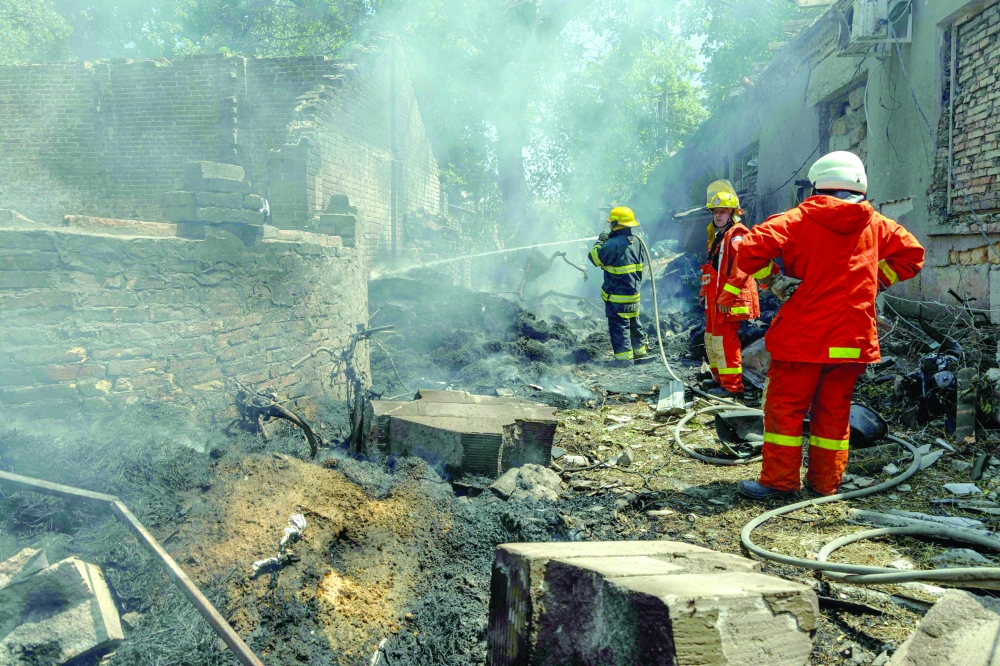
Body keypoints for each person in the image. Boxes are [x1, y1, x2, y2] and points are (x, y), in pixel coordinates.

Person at [715, 151, 925, 499]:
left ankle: (780, 483)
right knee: (834, 414)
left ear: (817, 186)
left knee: (786, 410)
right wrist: (876, 281)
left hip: (803, 338)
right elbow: (912, 255)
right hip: (852, 338)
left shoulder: (797, 219)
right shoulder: (878, 224)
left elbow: (749, 249)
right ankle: (825, 484)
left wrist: (776, 282)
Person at [699, 180, 759, 397]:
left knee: (725, 341)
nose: (718, 215)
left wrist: (725, 299)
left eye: (723, 211)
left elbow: (741, 270)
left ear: (733, 213)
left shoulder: (737, 236)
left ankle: (733, 387)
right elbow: (712, 270)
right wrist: (704, 293)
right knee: (712, 339)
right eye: (715, 211)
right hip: (715, 299)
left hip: (728, 300)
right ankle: (719, 380)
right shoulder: (718, 237)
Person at [588, 206, 653, 366]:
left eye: (611, 223)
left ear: (616, 224)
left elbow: (594, 258)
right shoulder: (638, 242)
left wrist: (600, 241)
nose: (609, 225)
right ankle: (640, 354)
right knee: (634, 323)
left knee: (619, 327)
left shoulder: (611, 245)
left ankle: (624, 360)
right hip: (634, 294)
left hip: (616, 296)